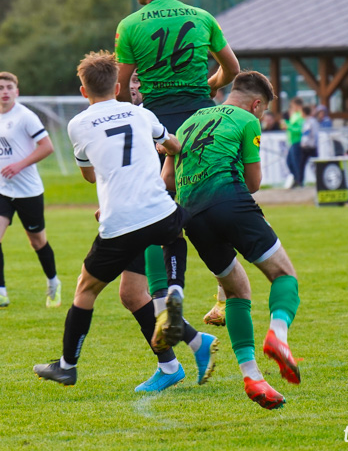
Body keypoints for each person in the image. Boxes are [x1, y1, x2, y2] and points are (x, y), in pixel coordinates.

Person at [33, 52, 217, 392]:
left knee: (85, 289)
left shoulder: (78, 124)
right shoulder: (142, 113)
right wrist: (165, 152)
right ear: (118, 86)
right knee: (138, 285)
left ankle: (68, 365)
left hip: (121, 221)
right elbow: (174, 144)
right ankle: (180, 353)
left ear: (83, 91)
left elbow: (89, 176)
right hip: (157, 210)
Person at [114, 0, 241, 334]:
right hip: (202, 123)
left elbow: (120, 91)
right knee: (212, 206)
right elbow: (233, 69)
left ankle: (167, 296)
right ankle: (224, 299)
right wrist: (210, 85)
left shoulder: (130, 25)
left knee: (159, 216)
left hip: (159, 126)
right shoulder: (202, 17)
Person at [161, 71, 301, 410]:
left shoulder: (190, 121)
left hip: (191, 214)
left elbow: (167, 179)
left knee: (238, 291)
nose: (261, 116)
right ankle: (278, 337)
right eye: (263, 111)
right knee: (283, 275)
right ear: (256, 104)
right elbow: (253, 183)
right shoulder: (246, 120)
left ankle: (253, 377)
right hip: (230, 201)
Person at [0, 72, 60, 310]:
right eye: (0, 88)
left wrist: (20, 165)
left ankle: (53, 283)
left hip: (28, 191)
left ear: (16, 91)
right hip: (1, 188)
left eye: (9, 87)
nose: (5, 91)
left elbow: (47, 147)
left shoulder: (26, 116)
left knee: (38, 242)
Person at [284, 98, 305, 188]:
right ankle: (297, 179)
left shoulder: (300, 115)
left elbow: (299, 129)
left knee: (296, 162)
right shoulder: (295, 115)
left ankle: (299, 181)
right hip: (292, 141)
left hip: (297, 141)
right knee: (290, 162)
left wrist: (287, 126)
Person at [300, 105, 319, 180]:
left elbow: (312, 134)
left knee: (314, 164)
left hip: (310, 146)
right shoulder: (306, 121)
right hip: (307, 146)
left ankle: (318, 179)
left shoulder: (311, 122)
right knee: (302, 164)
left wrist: (311, 143)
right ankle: (300, 181)